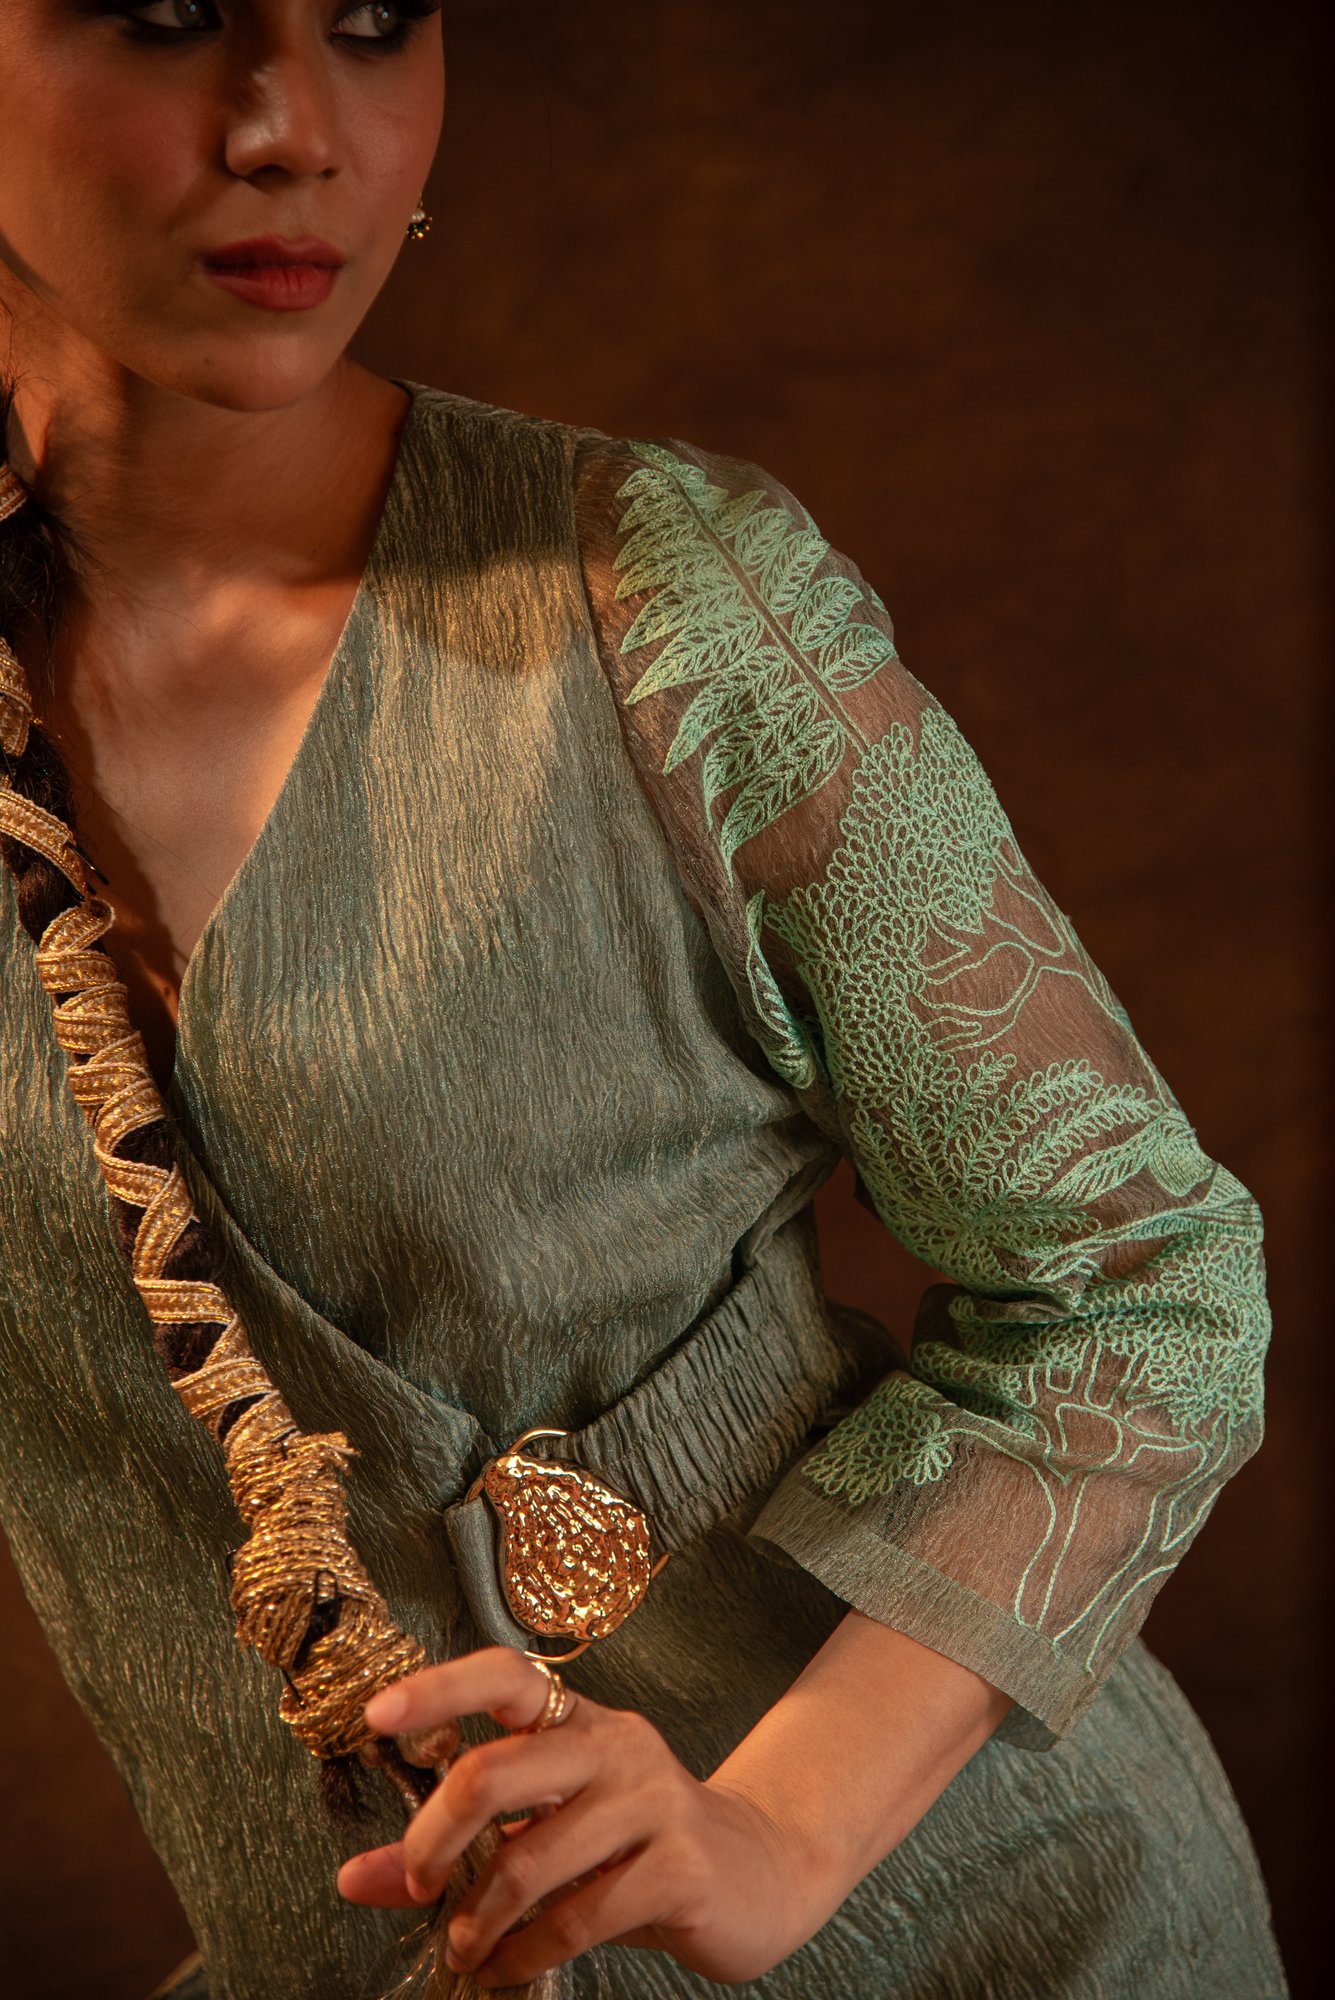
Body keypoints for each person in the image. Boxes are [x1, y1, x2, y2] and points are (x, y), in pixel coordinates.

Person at [0, 6, 1287, 1999]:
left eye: (373, 19)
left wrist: (777, 1825)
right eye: (166, 11)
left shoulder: (658, 603)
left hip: (989, 1934)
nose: (291, 126)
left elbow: (1141, 1277)